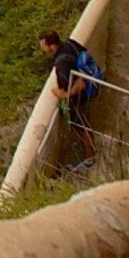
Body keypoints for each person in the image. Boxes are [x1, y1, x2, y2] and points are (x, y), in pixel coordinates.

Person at [38, 30, 105, 167]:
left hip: (80, 98)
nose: (41, 47)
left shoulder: (61, 62)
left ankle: (90, 158)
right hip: (89, 89)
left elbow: (78, 84)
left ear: (49, 45)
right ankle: (90, 152)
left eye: (42, 44)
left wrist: (65, 95)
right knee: (84, 123)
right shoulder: (70, 43)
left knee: (82, 126)